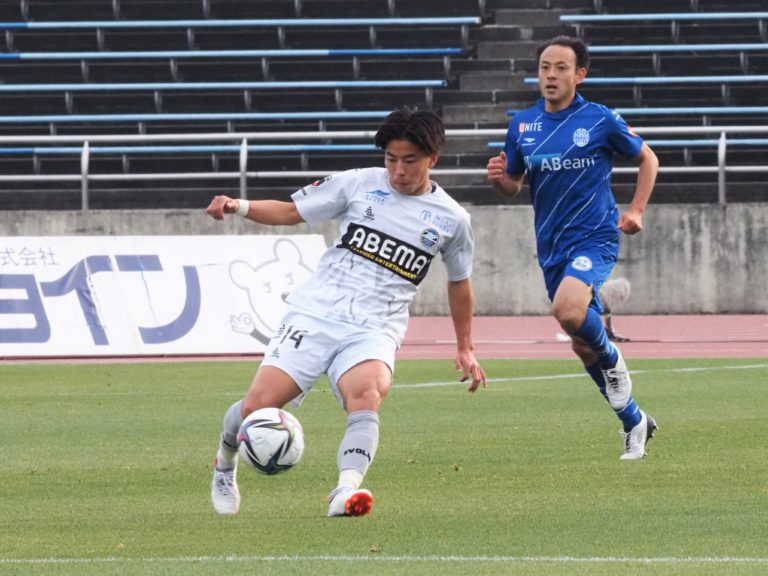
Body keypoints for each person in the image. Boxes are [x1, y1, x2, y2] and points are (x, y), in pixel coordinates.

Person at [206, 108, 487, 517]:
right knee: (255, 408)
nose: (398, 170)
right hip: (316, 313)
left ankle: (345, 490)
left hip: (375, 327)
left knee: (367, 395)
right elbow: (291, 211)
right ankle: (224, 465)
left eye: (410, 160)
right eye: (391, 159)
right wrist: (239, 205)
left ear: (433, 158)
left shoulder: (453, 218)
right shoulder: (358, 183)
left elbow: (459, 282)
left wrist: (465, 346)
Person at [486, 36, 659, 459]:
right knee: (579, 341)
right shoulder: (522, 125)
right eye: (545, 67)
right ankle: (634, 420)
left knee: (567, 311)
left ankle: (612, 357)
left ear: (579, 74)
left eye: (561, 67)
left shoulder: (599, 119)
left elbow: (648, 159)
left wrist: (636, 209)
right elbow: (514, 185)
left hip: (595, 236)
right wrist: (501, 180)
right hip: (552, 246)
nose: (551, 75)